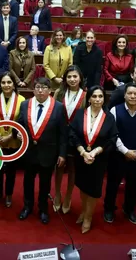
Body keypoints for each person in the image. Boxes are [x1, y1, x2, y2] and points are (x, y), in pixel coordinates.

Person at [104, 84, 136, 225]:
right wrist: (125, 151)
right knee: (112, 184)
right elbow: (113, 134)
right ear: (125, 95)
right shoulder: (115, 110)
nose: (133, 96)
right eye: (130, 93)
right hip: (118, 155)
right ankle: (109, 209)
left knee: (133, 186)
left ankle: (129, 210)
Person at [18, 77, 66, 224]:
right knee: (27, 181)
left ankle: (43, 209)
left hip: (48, 152)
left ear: (50, 90)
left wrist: (62, 154)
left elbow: (63, 133)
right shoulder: (25, 104)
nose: (40, 90)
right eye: (37, 87)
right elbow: (20, 124)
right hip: (29, 151)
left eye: (44, 88)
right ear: (34, 89)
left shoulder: (58, 107)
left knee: (45, 183)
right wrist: (18, 133)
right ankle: (27, 206)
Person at [69, 86, 117, 233]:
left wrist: (95, 152)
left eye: (100, 97)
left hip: (99, 159)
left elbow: (112, 139)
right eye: (94, 96)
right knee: (83, 186)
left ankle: (88, 217)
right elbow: (72, 133)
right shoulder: (79, 114)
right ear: (89, 98)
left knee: (94, 190)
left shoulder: (109, 117)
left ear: (104, 99)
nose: (97, 99)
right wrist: (83, 152)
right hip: (81, 157)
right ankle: (84, 211)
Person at [53, 66, 86, 214]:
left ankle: (68, 196)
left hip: (77, 137)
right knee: (59, 166)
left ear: (80, 78)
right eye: (69, 77)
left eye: (75, 76)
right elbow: (52, 112)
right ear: (65, 79)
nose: (72, 79)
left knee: (73, 168)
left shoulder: (85, 95)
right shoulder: (59, 93)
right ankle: (58, 194)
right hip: (60, 135)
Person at [0, 73, 25, 207]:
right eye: (4, 83)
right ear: (0, 84)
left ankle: (9, 194)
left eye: (9, 82)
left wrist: (10, 136)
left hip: (13, 140)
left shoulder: (22, 99)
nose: (6, 85)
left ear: (14, 84)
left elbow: (22, 121)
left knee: (11, 171)